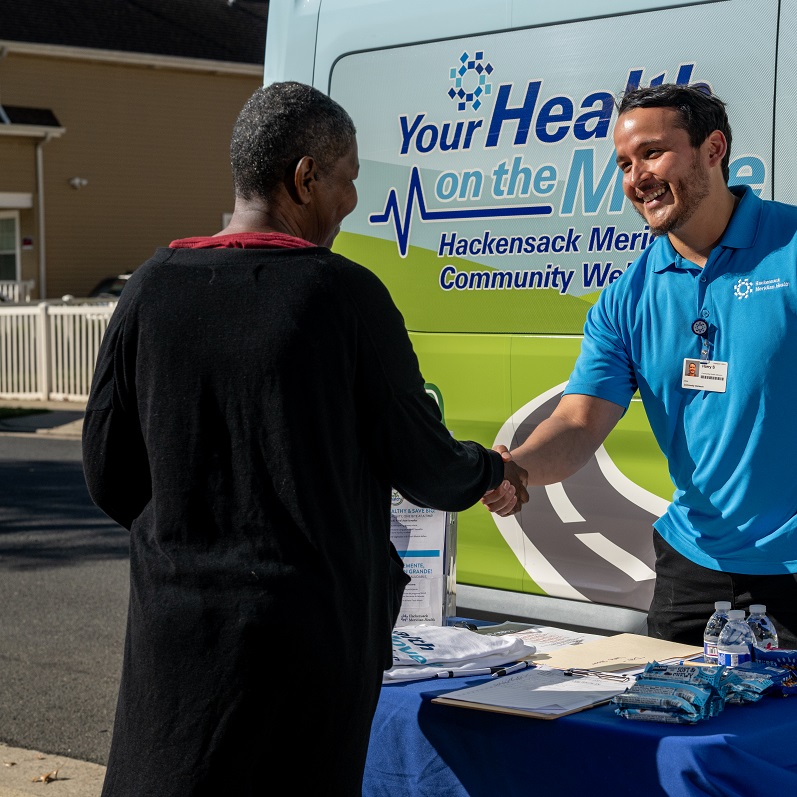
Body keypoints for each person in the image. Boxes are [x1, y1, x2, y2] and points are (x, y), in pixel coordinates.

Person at [83, 81, 527, 797]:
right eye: (347, 179)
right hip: (307, 644)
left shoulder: (150, 287)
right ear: (304, 176)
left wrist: (194, 531)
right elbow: (422, 462)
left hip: (177, 640)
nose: (351, 201)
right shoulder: (344, 296)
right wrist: (488, 469)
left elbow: (110, 477)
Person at [483, 83, 797, 650]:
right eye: (625, 164)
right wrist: (512, 468)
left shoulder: (790, 247)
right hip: (695, 569)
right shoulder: (625, 298)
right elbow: (578, 423)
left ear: (714, 149)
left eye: (652, 153)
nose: (636, 177)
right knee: (671, 733)